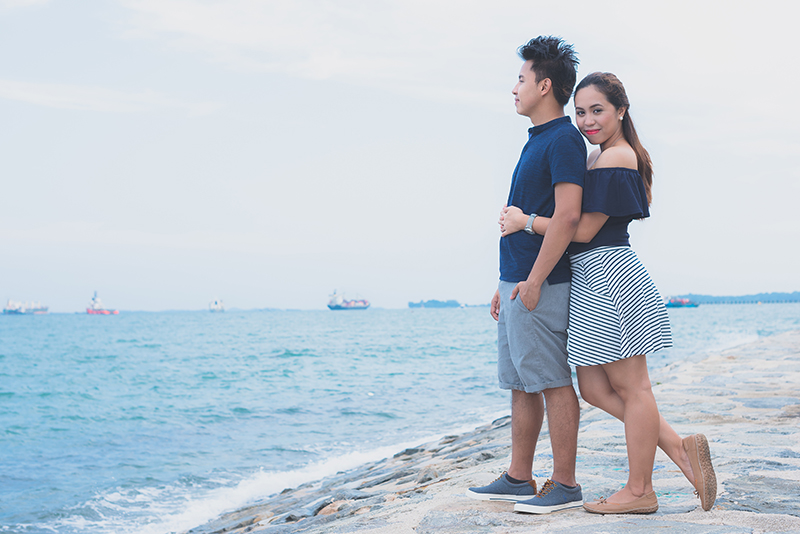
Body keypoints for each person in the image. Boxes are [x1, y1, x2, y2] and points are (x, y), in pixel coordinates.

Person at [499, 72, 717, 514]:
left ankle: (640, 491)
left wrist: (527, 221)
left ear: (621, 109)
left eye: (597, 110)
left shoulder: (617, 157)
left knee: (633, 387)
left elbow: (582, 230)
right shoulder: (602, 156)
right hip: (590, 278)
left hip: (609, 275)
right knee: (595, 388)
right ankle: (679, 447)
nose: (587, 120)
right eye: (580, 112)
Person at [465, 36, 586, 515]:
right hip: (515, 281)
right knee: (520, 381)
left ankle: (565, 483)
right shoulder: (537, 139)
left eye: (521, 78)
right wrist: (506, 285)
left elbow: (569, 215)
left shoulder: (562, 139)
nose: (514, 87)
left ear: (545, 84)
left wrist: (534, 280)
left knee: (553, 380)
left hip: (542, 282)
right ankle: (519, 476)